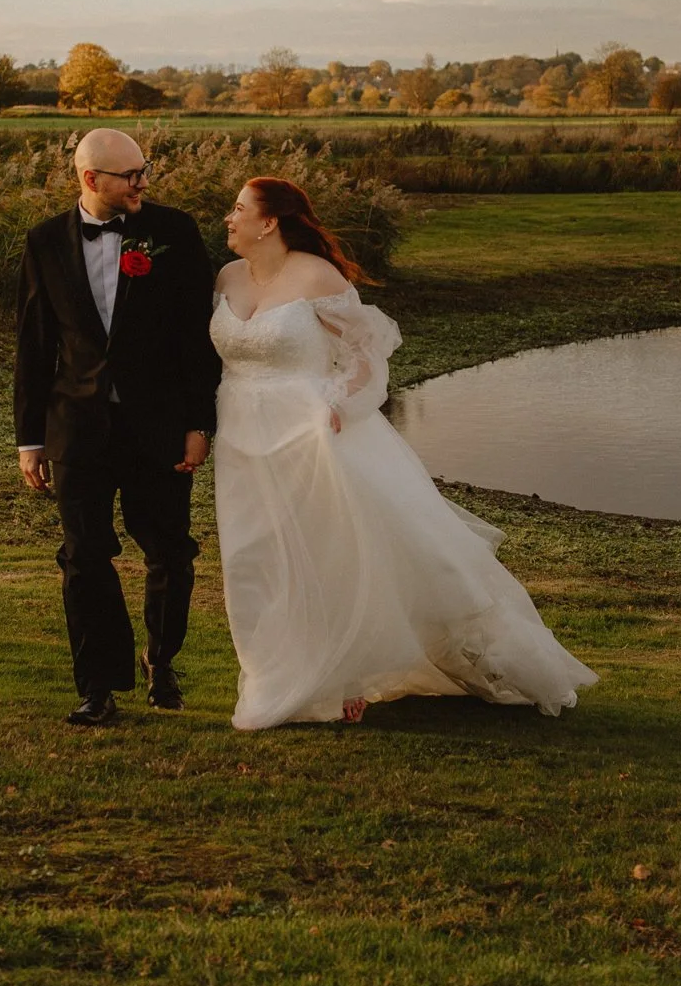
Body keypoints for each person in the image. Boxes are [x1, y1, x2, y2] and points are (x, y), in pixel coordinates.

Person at [211, 176, 596, 731]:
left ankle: (342, 677)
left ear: (268, 222)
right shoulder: (226, 277)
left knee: (330, 552)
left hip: (312, 436)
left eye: (238, 208)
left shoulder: (316, 276)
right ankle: (271, 674)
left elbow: (366, 351)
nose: (229, 217)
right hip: (242, 437)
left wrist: (339, 404)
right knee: (256, 557)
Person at [14, 129, 219, 725]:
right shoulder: (45, 241)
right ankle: (98, 689)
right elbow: (34, 344)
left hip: (159, 426)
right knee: (83, 556)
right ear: (90, 179)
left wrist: (199, 423)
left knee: (170, 551)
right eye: (130, 174)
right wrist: (30, 439)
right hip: (78, 428)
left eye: (143, 169)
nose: (142, 182)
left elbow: (197, 338)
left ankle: (161, 659)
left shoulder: (174, 231)